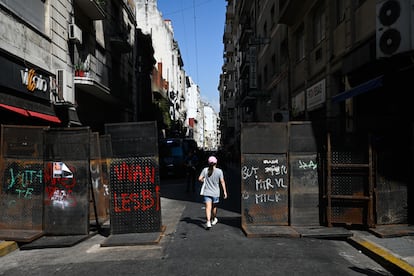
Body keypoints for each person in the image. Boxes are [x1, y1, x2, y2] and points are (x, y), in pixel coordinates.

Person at [198, 155, 228, 230]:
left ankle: (208, 221)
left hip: (207, 192)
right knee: (214, 207)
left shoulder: (205, 170)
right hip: (215, 192)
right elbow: (222, 181)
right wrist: (225, 191)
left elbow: (199, 179)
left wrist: (204, 180)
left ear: (208, 162)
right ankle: (214, 218)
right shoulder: (219, 171)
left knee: (208, 207)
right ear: (216, 163)